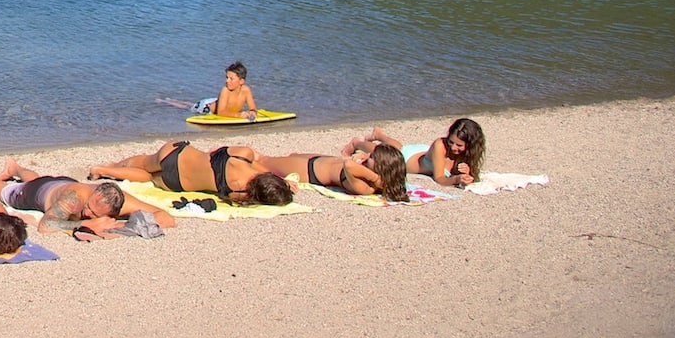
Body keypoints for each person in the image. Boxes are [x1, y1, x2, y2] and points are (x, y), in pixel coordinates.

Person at [0, 159, 176, 232]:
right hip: (35, 193)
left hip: (57, 183)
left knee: (37, 178)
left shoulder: (118, 199)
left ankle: (15, 168)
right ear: (93, 194)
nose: (88, 215)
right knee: (1, 190)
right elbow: (46, 225)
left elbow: (166, 217)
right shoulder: (73, 199)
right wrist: (87, 224)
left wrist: (124, 225)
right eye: (88, 210)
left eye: (95, 215)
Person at [89, 141, 296, 206]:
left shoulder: (243, 154)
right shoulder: (239, 193)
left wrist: (282, 180)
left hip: (177, 155)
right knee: (149, 178)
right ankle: (104, 171)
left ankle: (112, 166)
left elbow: (217, 152)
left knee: (144, 162)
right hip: (176, 182)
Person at [342, 118, 486, 187]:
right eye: (451, 142)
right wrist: (456, 179)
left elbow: (473, 176)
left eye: (459, 145)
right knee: (384, 151)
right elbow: (440, 179)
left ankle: (379, 135)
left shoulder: (468, 153)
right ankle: (357, 142)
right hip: (408, 159)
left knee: (398, 146)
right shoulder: (441, 145)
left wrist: (467, 173)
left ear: (471, 145)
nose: (453, 147)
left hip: (423, 153)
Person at [256, 144, 409, 203]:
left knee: (262, 160)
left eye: (372, 157)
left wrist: (376, 179)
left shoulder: (366, 187)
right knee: (292, 154)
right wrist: (362, 156)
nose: (367, 156)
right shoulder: (367, 170)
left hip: (309, 170)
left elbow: (349, 165)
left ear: (380, 168)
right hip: (323, 160)